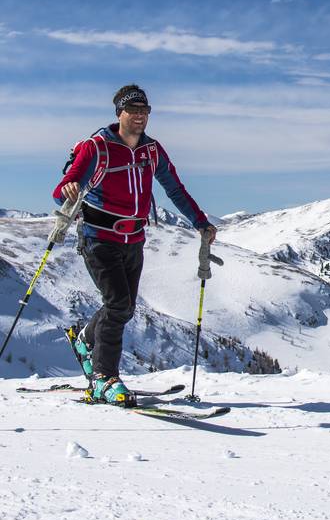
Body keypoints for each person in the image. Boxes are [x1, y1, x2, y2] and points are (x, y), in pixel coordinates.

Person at [53, 84, 216, 406]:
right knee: (118, 305)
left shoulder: (152, 150)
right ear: (120, 113)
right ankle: (104, 378)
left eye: (145, 111)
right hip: (99, 236)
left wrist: (200, 222)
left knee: (123, 306)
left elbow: (175, 189)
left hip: (134, 239)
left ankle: (86, 338)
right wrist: (69, 188)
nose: (140, 116)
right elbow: (61, 191)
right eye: (134, 110)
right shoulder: (95, 147)